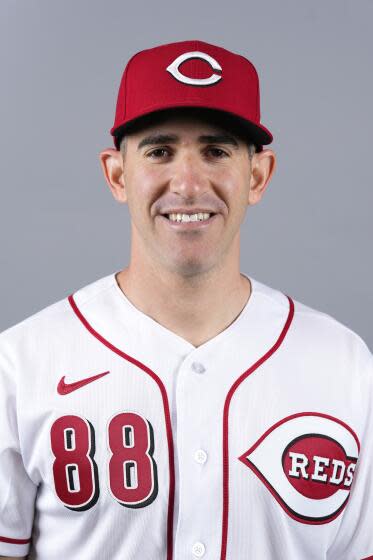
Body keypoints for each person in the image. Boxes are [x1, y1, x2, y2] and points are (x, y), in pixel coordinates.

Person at [0, 39, 372, 560]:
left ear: (258, 175)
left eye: (217, 151)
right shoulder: (20, 366)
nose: (189, 183)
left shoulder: (345, 364)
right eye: (159, 150)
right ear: (117, 173)